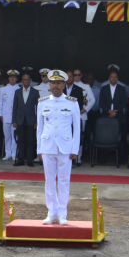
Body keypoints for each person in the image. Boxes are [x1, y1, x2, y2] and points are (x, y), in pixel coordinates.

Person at [37, 70, 80, 225]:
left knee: (63, 181)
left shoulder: (72, 102)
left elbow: (77, 127)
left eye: (59, 83)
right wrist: (39, 149)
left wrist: (75, 149)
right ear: (50, 84)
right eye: (53, 82)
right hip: (47, 146)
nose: (56, 86)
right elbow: (39, 128)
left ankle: (62, 213)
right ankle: (51, 212)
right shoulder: (42, 102)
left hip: (65, 147)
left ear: (63, 85)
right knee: (49, 181)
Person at [12, 73, 39, 167]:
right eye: (24, 79)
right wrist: (14, 120)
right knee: (20, 141)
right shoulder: (17, 92)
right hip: (20, 119)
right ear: (22, 81)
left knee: (30, 141)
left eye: (28, 80)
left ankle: (30, 160)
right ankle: (20, 160)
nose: (26, 81)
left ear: (30, 81)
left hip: (31, 120)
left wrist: (37, 121)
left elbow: (38, 108)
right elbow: (14, 107)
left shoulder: (35, 92)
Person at [72, 68, 95, 165]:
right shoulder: (68, 86)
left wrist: (85, 109)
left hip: (82, 114)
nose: (77, 77)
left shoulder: (86, 86)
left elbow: (92, 100)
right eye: (75, 75)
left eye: (79, 75)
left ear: (81, 76)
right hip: (70, 115)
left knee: (80, 136)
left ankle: (78, 156)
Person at [0, 70, 20, 160]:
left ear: (16, 79)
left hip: (16, 117)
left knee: (15, 136)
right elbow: (0, 103)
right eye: (11, 77)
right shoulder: (3, 89)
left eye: (14, 77)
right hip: (6, 115)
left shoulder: (19, 88)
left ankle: (14, 153)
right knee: (7, 136)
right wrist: (1, 115)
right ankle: (7, 153)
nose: (12, 78)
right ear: (8, 78)